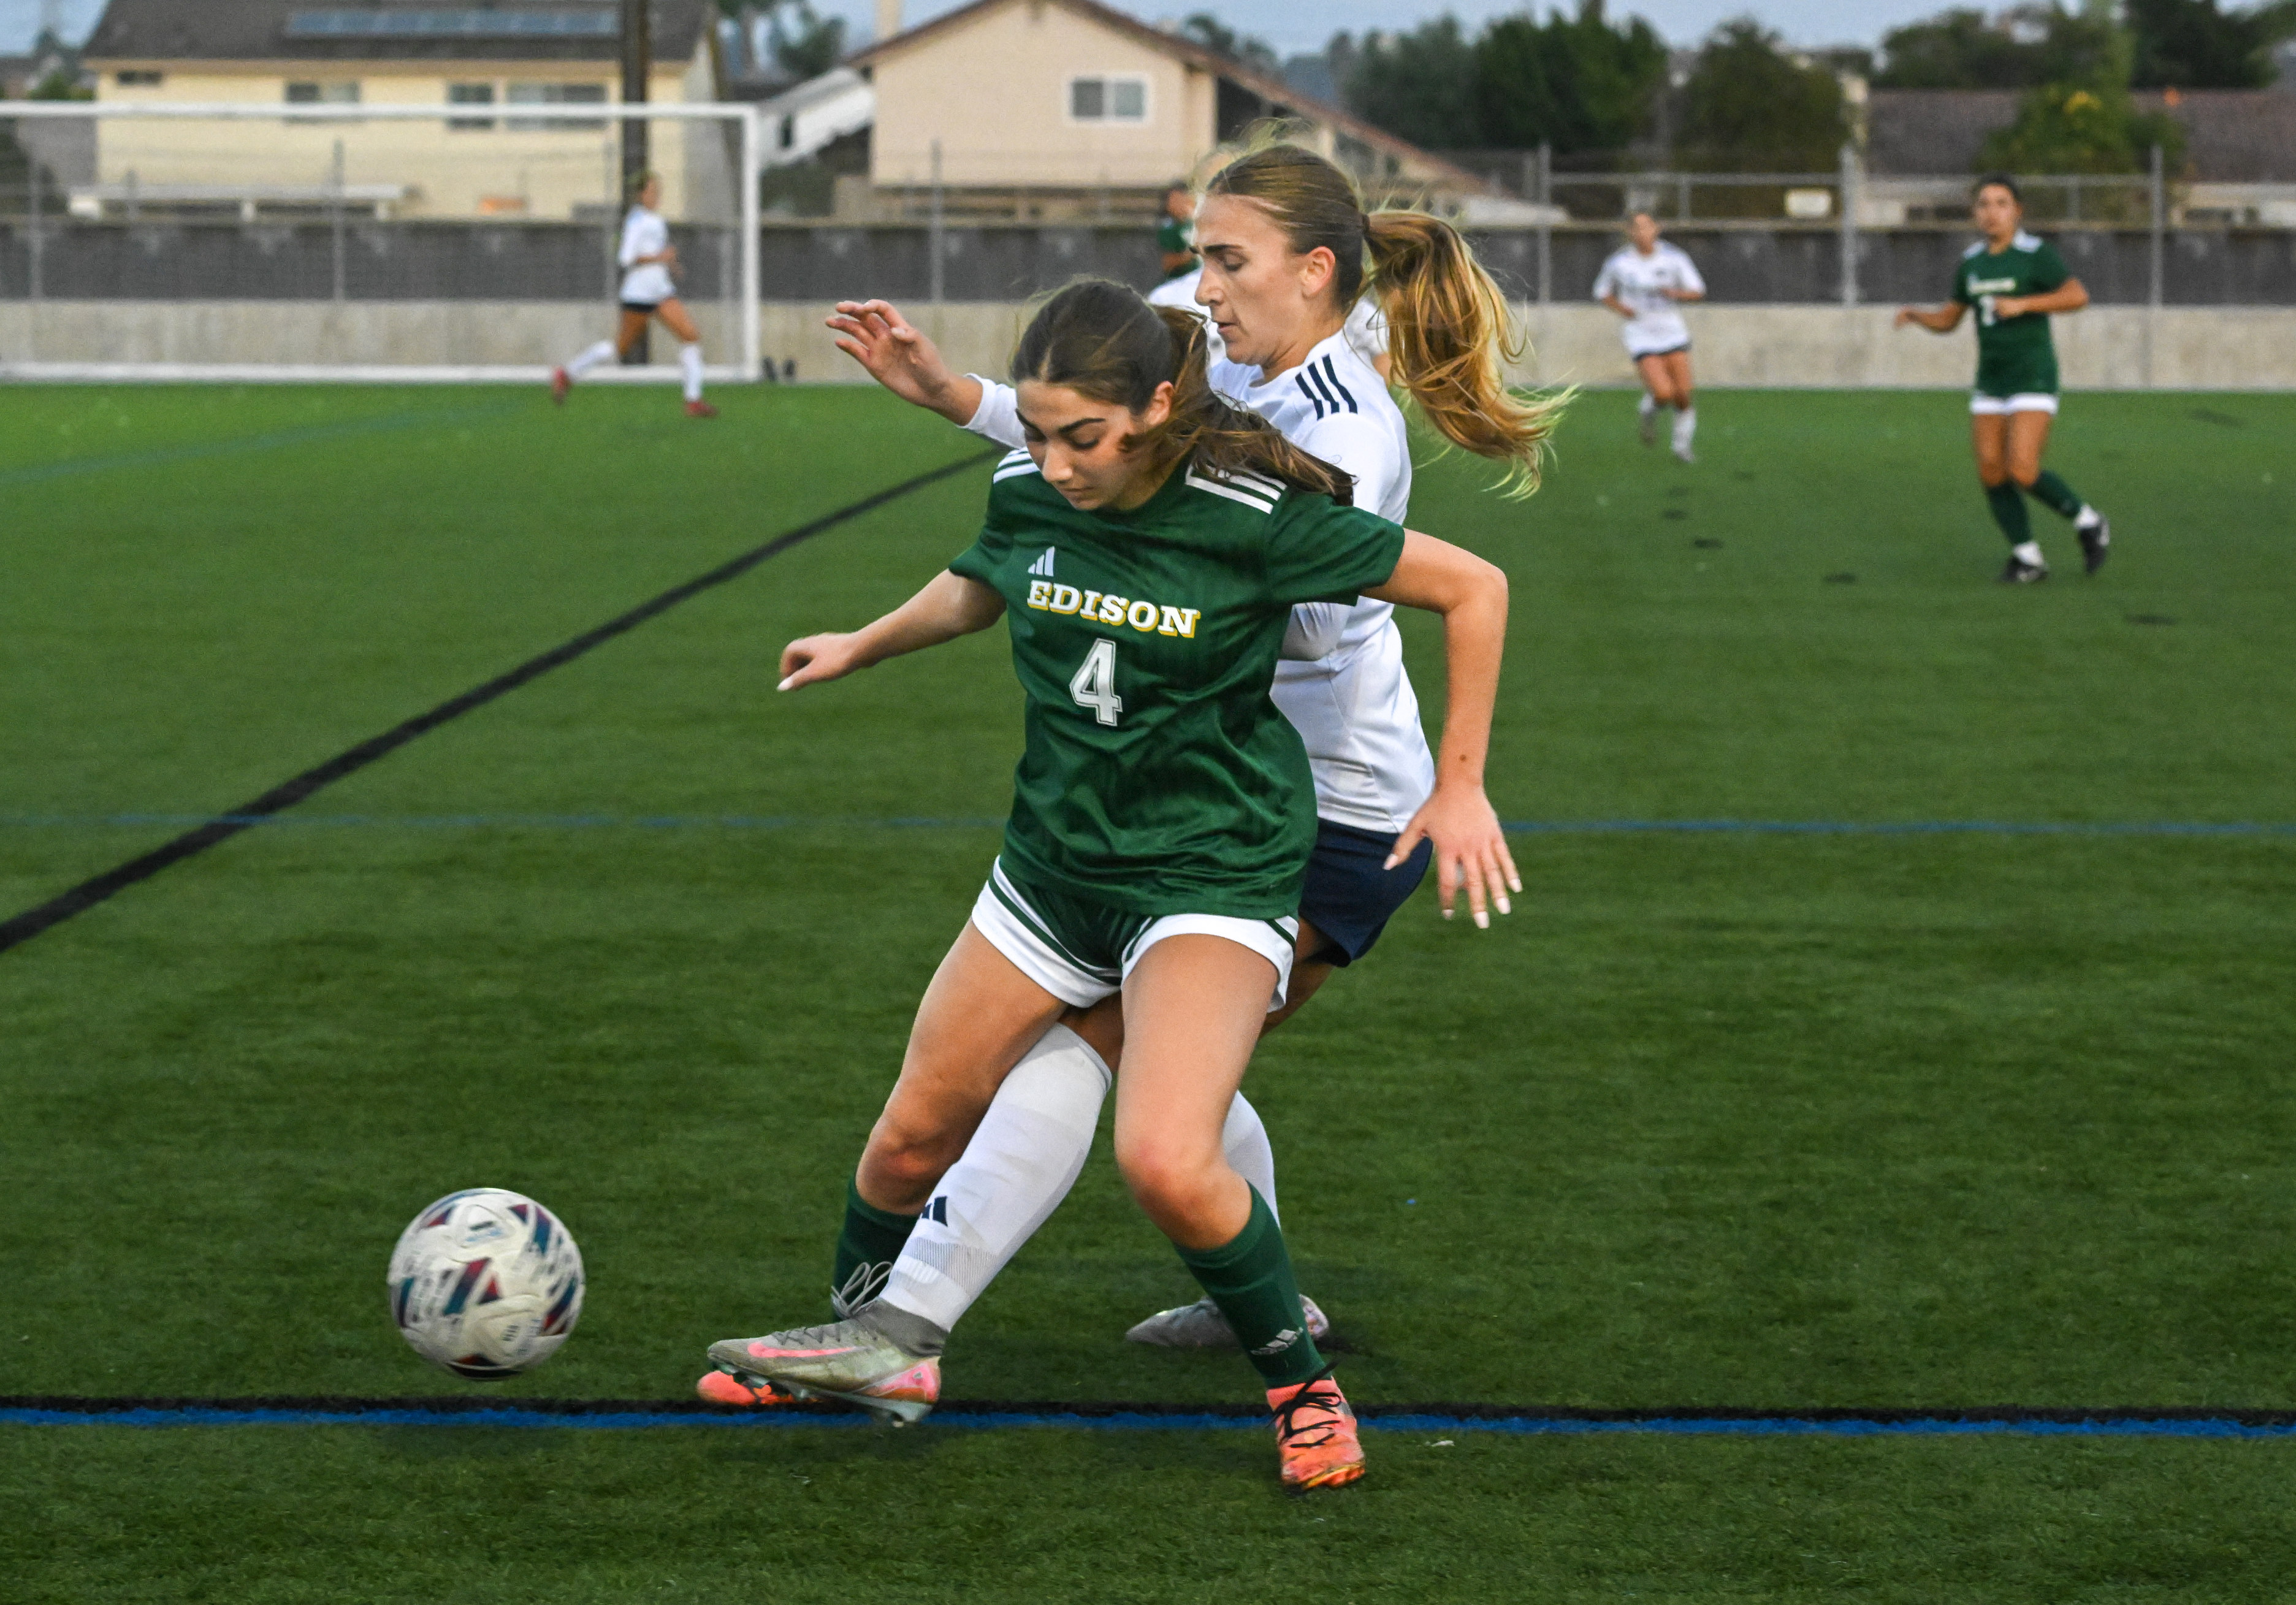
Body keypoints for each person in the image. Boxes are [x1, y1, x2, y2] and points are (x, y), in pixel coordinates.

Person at [702, 281, 1515, 1492]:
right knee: (910, 1131)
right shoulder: (1030, 487)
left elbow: (1473, 587)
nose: (1053, 460)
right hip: (1051, 870)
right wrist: (860, 641)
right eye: (1035, 431)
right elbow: (984, 581)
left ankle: (1302, 1390)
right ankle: (867, 1343)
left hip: (1208, 877)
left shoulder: (1255, 514)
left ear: (1155, 406)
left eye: (1080, 435)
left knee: (1165, 1159)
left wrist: (1458, 785)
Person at [1895, 174, 2109, 582]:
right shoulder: (1973, 262)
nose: (1992, 212)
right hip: (1992, 380)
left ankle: (2088, 521)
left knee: (2023, 470)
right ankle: (2028, 559)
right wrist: (1918, 316)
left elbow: (2077, 296)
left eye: (2001, 203)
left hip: (2033, 375)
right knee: (1992, 471)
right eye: (1984, 204)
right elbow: (1950, 319)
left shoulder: (2035, 254)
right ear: (1975, 213)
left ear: (2018, 211)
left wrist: (2024, 304)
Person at [551, 172, 718, 419]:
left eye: (658, 191)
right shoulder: (636, 221)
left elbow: (656, 252)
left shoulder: (656, 220)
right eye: (652, 191)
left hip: (661, 292)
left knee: (691, 338)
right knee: (620, 349)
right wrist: (659, 258)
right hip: (638, 294)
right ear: (641, 195)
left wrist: (670, 263)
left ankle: (693, 401)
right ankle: (567, 375)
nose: (656, 195)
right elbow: (626, 258)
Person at [1592, 212, 1704, 462]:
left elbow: (1697, 291)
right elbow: (1602, 292)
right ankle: (1648, 411)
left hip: (1672, 330)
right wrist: (1623, 310)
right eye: (1636, 228)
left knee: (1683, 394)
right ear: (1629, 232)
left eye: (1647, 227)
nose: (1642, 232)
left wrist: (1674, 293)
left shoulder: (1675, 258)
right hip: (1641, 333)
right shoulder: (1619, 262)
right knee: (1664, 393)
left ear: (1657, 229)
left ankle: (1682, 447)